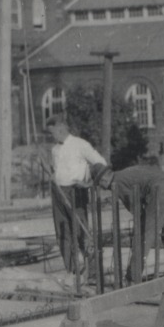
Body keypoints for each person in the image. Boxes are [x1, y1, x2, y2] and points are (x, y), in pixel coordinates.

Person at [97, 155, 164, 285]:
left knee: (143, 237)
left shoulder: (117, 182)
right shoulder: (125, 174)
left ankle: (132, 278)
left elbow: (135, 207)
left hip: (160, 192)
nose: (103, 189)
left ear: (103, 179)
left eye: (100, 185)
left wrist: (142, 222)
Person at [45, 116, 107, 278]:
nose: (52, 137)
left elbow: (101, 163)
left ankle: (93, 270)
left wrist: (89, 183)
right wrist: (53, 175)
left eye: (53, 133)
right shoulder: (55, 150)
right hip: (58, 192)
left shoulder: (80, 145)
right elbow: (57, 170)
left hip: (76, 191)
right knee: (62, 231)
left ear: (61, 129)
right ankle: (73, 271)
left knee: (81, 231)